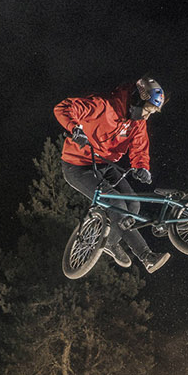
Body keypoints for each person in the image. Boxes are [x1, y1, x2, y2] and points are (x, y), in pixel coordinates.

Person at [52, 77, 170, 273]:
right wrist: (75, 129)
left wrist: (142, 167)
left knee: (133, 203)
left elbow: (140, 146)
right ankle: (146, 256)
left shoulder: (137, 123)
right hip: (77, 166)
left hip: (104, 165)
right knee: (117, 206)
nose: (147, 117)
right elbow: (63, 108)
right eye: (147, 111)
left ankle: (110, 242)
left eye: (151, 113)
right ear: (137, 100)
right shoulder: (102, 106)